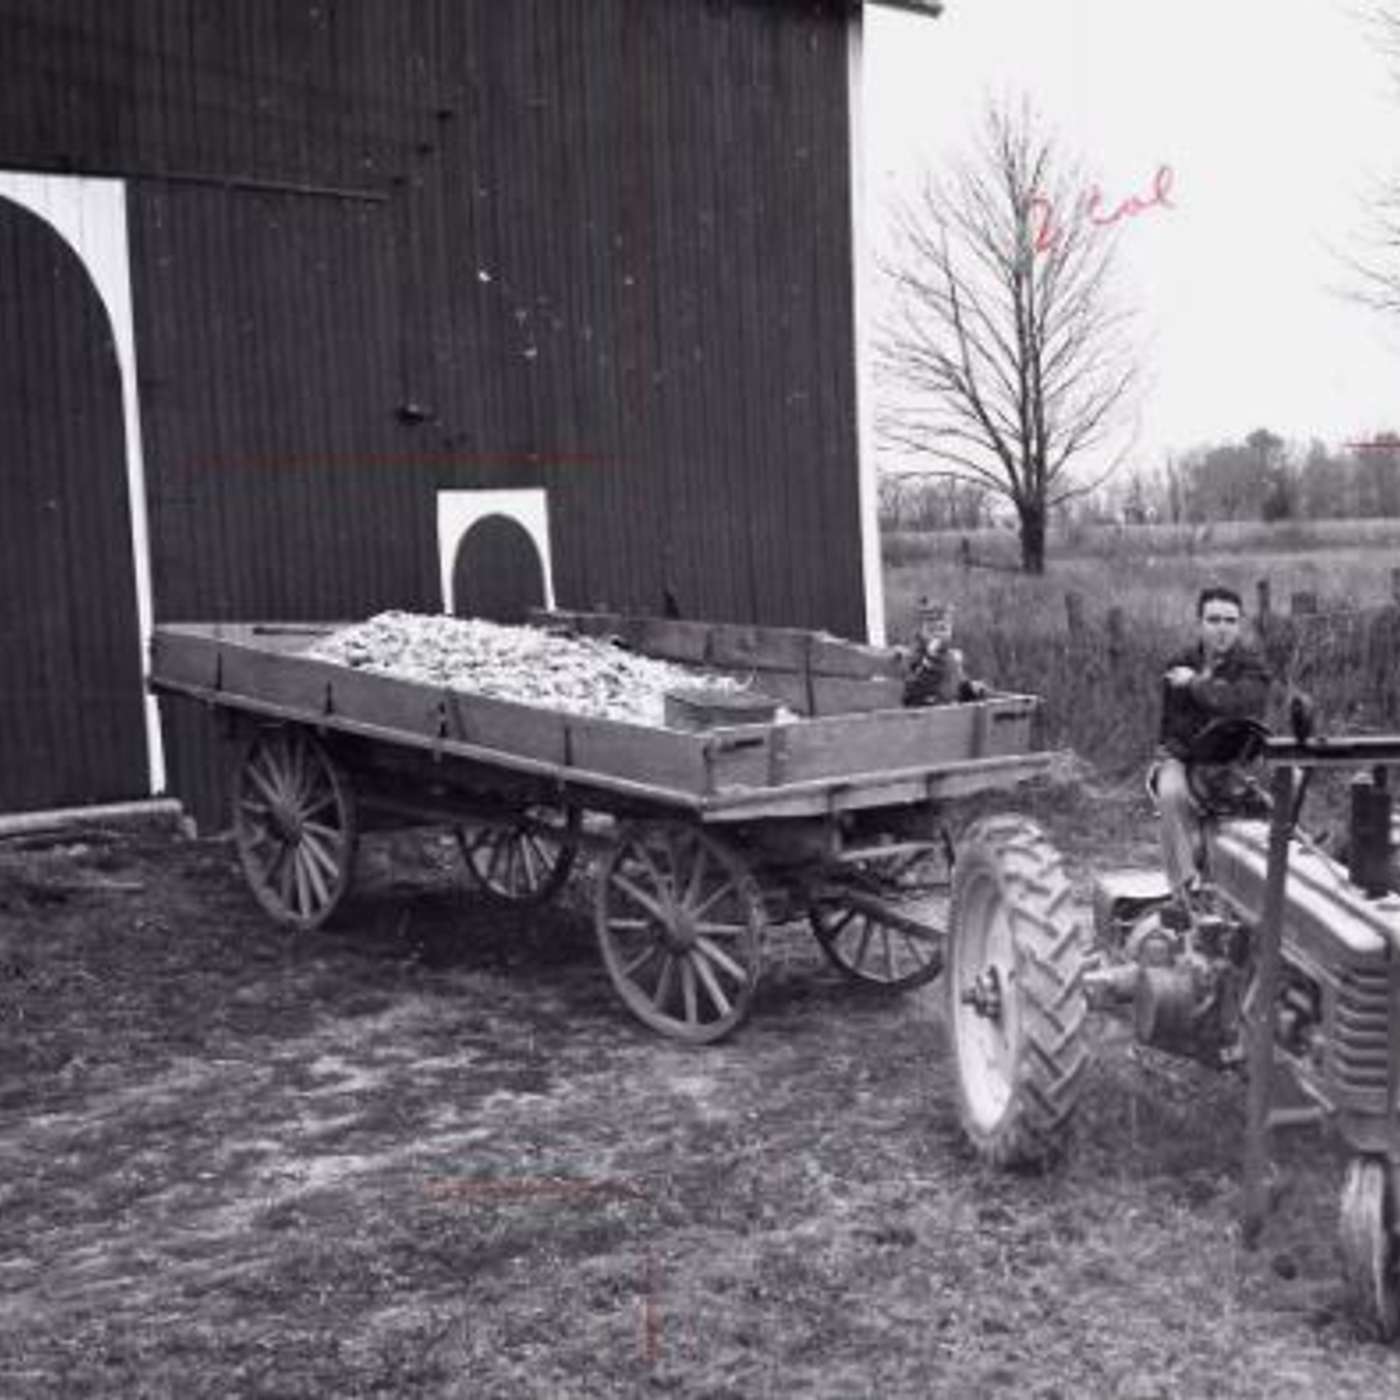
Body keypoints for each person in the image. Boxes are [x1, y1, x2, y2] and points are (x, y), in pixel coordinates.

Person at [1151, 585, 1271, 906]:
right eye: (1214, 619)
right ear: (1199, 623)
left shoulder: (1253, 667)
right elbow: (1177, 726)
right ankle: (1184, 889)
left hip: (1240, 759)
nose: (1222, 628)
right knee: (1171, 793)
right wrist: (1212, 700)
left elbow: (1241, 704)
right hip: (1186, 758)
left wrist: (1196, 684)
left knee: (1291, 785)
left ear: (1240, 625)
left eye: (1230, 620)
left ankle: (1276, 881)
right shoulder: (1177, 663)